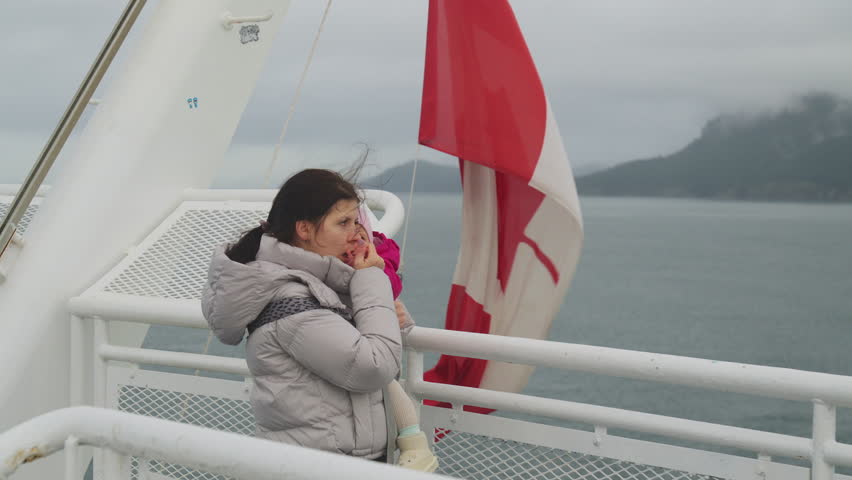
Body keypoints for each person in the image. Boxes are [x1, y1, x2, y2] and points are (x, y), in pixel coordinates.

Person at [201, 168, 401, 462]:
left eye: (356, 221)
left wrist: (382, 308)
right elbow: (373, 366)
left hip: (324, 458)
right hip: (319, 464)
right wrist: (371, 279)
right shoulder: (290, 300)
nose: (356, 234)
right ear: (304, 229)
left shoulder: (312, 284)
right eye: (343, 222)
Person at [345, 211, 439, 472]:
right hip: (357, 420)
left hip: (367, 394)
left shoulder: (364, 268)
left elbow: (394, 313)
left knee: (387, 384)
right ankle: (413, 443)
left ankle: (414, 443)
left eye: (355, 225)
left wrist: (401, 320)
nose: (353, 236)